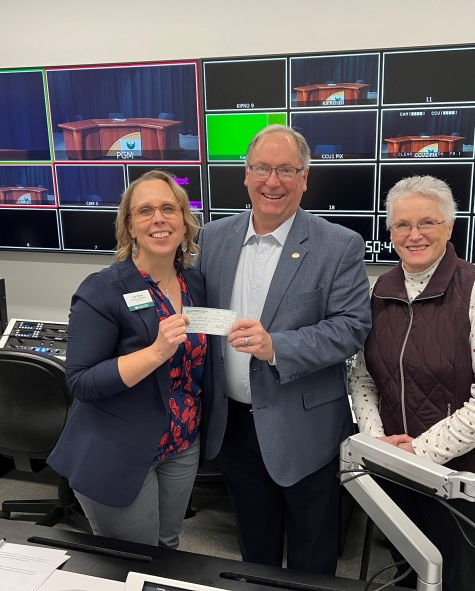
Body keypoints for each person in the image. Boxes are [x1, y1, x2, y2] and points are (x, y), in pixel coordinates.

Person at [196, 125, 372, 575]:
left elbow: (352, 328)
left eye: (286, 170)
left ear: (305, 177)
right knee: (255, 553)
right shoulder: (214, 239)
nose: (272, 182)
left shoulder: (338, 245)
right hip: (234, 426)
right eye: (262, 169)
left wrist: (278, 346)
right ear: (246, 174)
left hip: (305, 427)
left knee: (313, 558)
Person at [348, 175, 475, 591]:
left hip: (461, 478)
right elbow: (363, 379)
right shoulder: (379, 291)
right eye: (402, 225)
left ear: (449, 227)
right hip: (396, 470)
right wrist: (376, 441)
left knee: (457, 579)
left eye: (427, 223)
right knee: (405, 573)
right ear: (389, 232)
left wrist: (420, 453)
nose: (414, 234)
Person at [47, 169, 209, 549]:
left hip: (181, 444)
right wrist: (154, 353)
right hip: (116, 449)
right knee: (131, 557)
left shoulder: (195, 284)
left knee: (168, 547)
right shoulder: (102, 290)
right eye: (145, 211)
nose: (159, 219)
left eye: (169, 209)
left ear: (185, 224)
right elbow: (81, 382)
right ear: (129, 227)